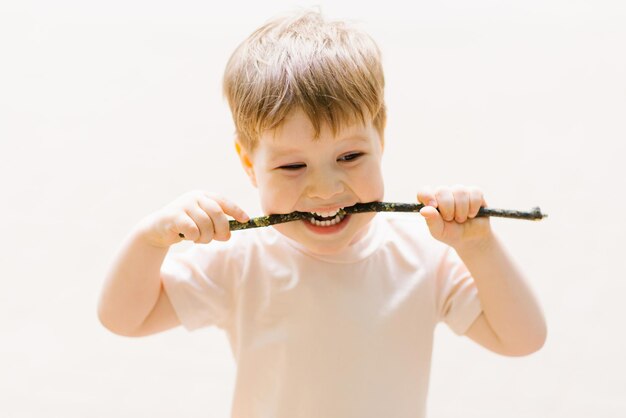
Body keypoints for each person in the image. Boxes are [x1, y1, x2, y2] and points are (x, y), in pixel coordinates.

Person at [98, 10, 546, 418]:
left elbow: (523, 339)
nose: (325, 188)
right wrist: (149, 240)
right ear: (249, 164)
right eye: (293, 166)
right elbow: (125, 318)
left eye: (350, 156)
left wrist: (480, 248)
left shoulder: (425, 256)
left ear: (381, 137)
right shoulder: (240, 258)